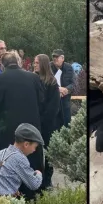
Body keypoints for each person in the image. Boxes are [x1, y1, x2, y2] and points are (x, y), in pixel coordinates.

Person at [0, 51, 44, 200]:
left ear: (2, 65)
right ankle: (33, 196)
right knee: (32, 163)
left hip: (10, 131)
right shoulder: (34, 77)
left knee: (11, 166)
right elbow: (41, 101)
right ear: (19, 62)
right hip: (32, 129)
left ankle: (13, 196)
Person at [33, 54, 63, 191]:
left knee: (48, 153)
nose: (34, 65)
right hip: (34, 122)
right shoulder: (33, 79)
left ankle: (47, 180)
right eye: (34, 62)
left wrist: (42, 120)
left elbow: (53, 107)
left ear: (43, 64)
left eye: (37, 63)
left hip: (47, 124)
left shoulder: (51, 83)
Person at [0, 123, 43, 197]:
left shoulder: (2, 152)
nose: (34, 150)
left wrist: (9, 188)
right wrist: (38, 173)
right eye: (35, 147)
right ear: (26, 144)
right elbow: (34, 184)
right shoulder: (20, 158)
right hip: (5, 202)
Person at [51, 49, 75, 127]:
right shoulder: (49, 67)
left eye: (57, 57)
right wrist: (58, 89)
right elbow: (46, 82)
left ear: (62, 58)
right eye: (53, 56)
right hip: (53, 102)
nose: (54, 58)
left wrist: (67, 89)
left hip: (65, 102)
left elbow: (73, 84)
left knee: (66, 125)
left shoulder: (69, 68)